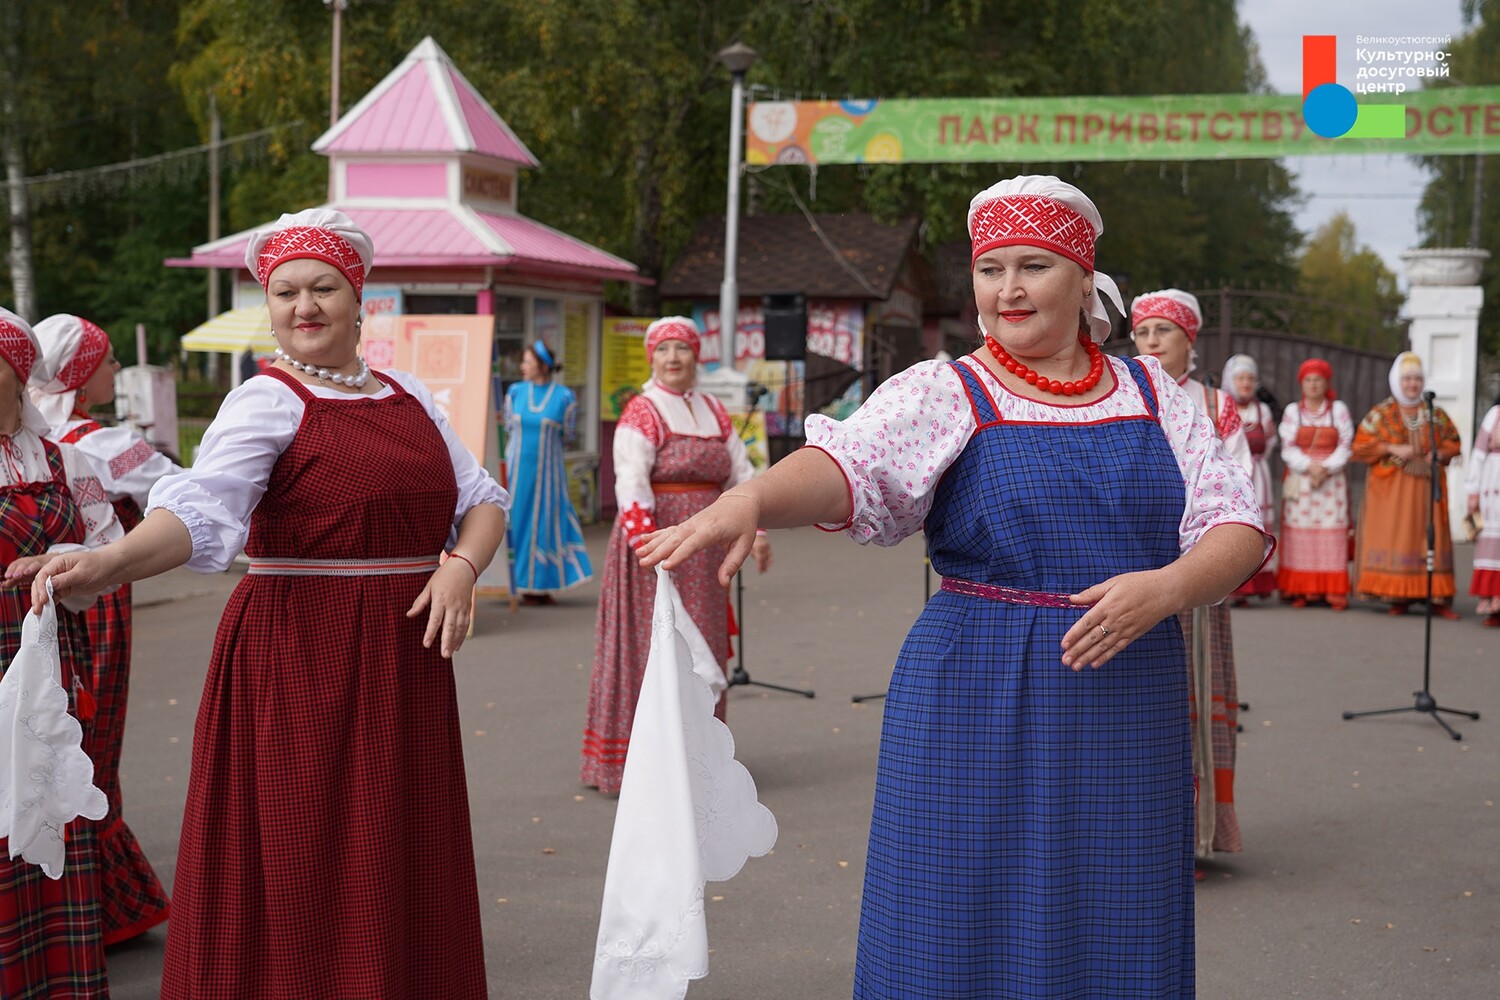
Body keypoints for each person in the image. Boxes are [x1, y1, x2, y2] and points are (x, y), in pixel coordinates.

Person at [639, 178, 1267, 997]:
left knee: (1114, 914)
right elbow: (845, 466)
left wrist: (1169, 588)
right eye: (990, 268)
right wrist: (750, 498)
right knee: (955, 916)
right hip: (976, 692)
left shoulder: (1160, 399)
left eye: (1033, 266)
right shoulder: (948, 390)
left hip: (1127, 694)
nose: (1007, 289)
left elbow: (1239, 523)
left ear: (1084, 279)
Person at [23, 209, 509, 999]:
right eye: (285, 293)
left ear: (359, 300)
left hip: (403, 664)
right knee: (309, 860)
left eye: (323, 287)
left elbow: (483, 500)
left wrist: (461, 566)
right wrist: (107, 563)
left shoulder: (407, 393)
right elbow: (200, 514)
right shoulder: (267, 401)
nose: (304, 306)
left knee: (397, 853)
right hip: (300, 659)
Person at [29, 312, 181, 945]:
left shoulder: (30, 445)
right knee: (94, 742)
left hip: (35, 606)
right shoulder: (108, 444)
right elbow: (181, 492)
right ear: (85, 378)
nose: (117, 370)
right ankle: (102, 905)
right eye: (108, 360)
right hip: (98, 605)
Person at [581, 316, 771, 796]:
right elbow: (631, 482)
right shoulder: (642, 411)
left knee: (703, 643)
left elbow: (742, 477)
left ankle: (700, 762)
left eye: (681, 349)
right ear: (652, 358)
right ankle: (646, 766)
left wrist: (758, 528)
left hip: (706, 552)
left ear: (695, 356)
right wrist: (651, 546)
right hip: (657, 549)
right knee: (657, 648)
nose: (672, 359)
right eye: (663, 350)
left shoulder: (715, 410)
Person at [0, 307, 125, 997]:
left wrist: (65, 562)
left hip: (48, 658)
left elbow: (109, 552)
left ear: (18, 373)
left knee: (51, 805)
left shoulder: (70, 462)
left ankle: (59, 983)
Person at [1130, 288, 1253, 872]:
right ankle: (1130, 835)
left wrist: (1207, 565)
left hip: (1195, 574)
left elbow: (1238, 491)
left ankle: (1194, 836)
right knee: (1130, 709)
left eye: (1164, 332)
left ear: (1190, 340)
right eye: (1142, 332)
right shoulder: (1122, 394)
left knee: (1191, 705)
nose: (1150, 343)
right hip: (1131, 569)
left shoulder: (1215, 406)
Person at [1352, 352, 1462, 617]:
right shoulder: (1382, 413)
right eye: (1407, 379)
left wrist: (1441, 453)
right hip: (1392, 492)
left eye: (1417, 379)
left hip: (1427, 489)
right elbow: (1360, 446)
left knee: (1430, 538)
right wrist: (1391, 447)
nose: (1413, 384)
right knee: (1398, 537)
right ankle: (1397, 596)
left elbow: (1453, 442)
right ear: (1397, 381)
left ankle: (1436, 597)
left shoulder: (1435, 413)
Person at [504, 339, 592, 604]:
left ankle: (540, 585)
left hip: (548, 476)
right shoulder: (516, 393)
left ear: (542, 366)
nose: (522, 366)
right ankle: (512, 582)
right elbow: (508, 428)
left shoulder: (565, 397)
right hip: (516, 473)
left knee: (543, 524)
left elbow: (568, 434)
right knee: (514, 521)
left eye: (527, 362)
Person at [1276, 358, 1354, 610]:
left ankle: (1333, 590)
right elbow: (1287, 447)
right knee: (1301, 533)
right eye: (1308, 380)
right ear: (1302, 383)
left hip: (1331, 483)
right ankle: (1302, 589)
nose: (1312, 385)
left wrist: (1327, 467)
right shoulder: (1292, 412)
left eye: (1317, 380)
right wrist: (1310, 467)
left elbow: (1345, 444)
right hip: (1302, 478)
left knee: (1332, 532)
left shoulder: (1338, 410)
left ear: (1326, 382)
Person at [1223, 354, 1278, 604]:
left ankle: (1259, 584)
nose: (1246, 383)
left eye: (1250, 378)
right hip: (1232, 475)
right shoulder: (1224, 406)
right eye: (1241, 378)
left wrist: (1256, 462)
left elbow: (1270, 441)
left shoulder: (1262, 409)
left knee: (1261, 525)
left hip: (1258, 475)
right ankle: (1238, 584)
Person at [1467, 392, 1500, 628]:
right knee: (1491, 541)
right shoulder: (1495, 415)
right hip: (1493, 486)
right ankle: (1491, 599)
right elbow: (1478, 454)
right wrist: (1473, 491)